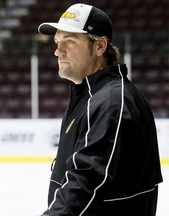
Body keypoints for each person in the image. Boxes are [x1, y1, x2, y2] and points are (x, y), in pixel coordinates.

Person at [37, 3, 163, 216]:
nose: (58, 51)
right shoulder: (90, 95)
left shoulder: (112, 101)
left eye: (69, 41)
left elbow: (87, 181)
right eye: (58, 41)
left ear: (99, 47)